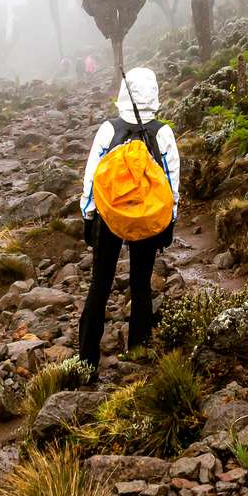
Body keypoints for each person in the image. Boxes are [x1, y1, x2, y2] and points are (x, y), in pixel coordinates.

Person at [77, 66, 180, 373]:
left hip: (109, 216)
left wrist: (88, 214)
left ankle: (86, 360)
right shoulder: (163, 133)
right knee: (140, 284)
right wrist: (169, 222)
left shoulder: (109, 129)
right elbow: (172, 182)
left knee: (100, 283)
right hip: (147, 217)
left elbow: (92, 176)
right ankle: (138, 351)